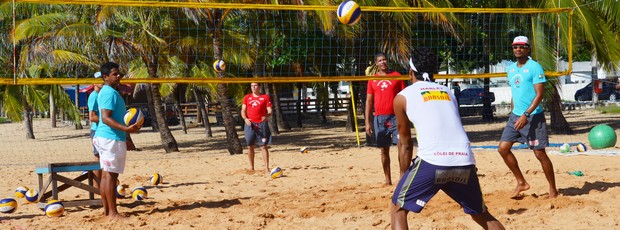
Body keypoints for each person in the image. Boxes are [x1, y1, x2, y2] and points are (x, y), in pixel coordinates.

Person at [391, 48, 504, 230]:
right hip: (464, 161)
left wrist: (403, 176)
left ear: (410, 72)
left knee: (398, 207)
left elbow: (405, 143)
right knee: (481, 214)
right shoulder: (448, 92)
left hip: (433, 162)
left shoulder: (403, 96)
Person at [498, 36, 558, 199]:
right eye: (515, 46)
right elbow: (515, 94)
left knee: (540, 154)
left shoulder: (535, 67)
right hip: (516, 116)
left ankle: (553, 189)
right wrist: (514, 113)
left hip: (533, 117)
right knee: (503, 149)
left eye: (522, 46)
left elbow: (539, 95)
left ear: (528, 49)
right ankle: (521, 182)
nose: (518, 49)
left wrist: (526, 114)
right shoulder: (510, 68)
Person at [93, 62, 141, 220]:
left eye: (119, 73)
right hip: (110, 138)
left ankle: (107, 212)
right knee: (110, 177)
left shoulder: (111, 91)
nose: (118, 76)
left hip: (111, 137)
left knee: (107, 176)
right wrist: (126, 129)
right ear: (105, 77)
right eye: (114, 74)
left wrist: (126, 135)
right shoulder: (108, 92)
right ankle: (113, 213)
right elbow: (105, 118)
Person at [365, 52, 406, 185]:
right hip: (379, 118)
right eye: (380, 60)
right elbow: (369, 102)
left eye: (384, 60)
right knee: (384, 150)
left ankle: (402, 178)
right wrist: (367, 122)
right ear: (376, 64)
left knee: (401, 147)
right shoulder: (373, 79)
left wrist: (406, 116)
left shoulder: (397, 76)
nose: (383, 62)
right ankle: (387, 180)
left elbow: (404, 97)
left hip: (396, 117)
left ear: (387, 62)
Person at [241, 82, 273, 174]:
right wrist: (245, 119)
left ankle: (266, 168)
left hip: (261, 124)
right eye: (251, 86)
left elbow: (270, 110)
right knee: (250, 146)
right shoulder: (247, 97)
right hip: (250, 124)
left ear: (259, 86)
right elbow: (243, 110)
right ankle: (251, 167)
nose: (253, 87)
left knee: (263, 146)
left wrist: (267, 116)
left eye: (255, 85)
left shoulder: (265, 97)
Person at [87, 72, 103, 188]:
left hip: (101, 130)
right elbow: (92, 117)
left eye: (102, 78)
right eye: (98, 79)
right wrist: (108, 119)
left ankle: (101, 184)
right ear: (93, 82)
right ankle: (97, 186)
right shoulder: (94, 96)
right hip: (96, 130)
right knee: (98, 158)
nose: (101, 81)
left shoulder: (102, 94)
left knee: (103, 158)